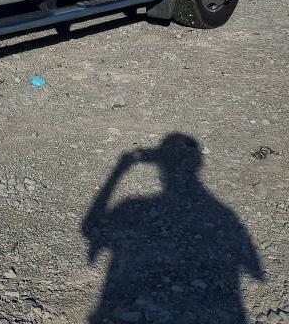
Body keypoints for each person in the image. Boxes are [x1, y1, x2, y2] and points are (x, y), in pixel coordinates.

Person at [82, 134, 263, 323]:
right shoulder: (225, 216)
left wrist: (119, 170)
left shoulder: (130, 206)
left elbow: (89, 229)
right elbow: (256, 272)